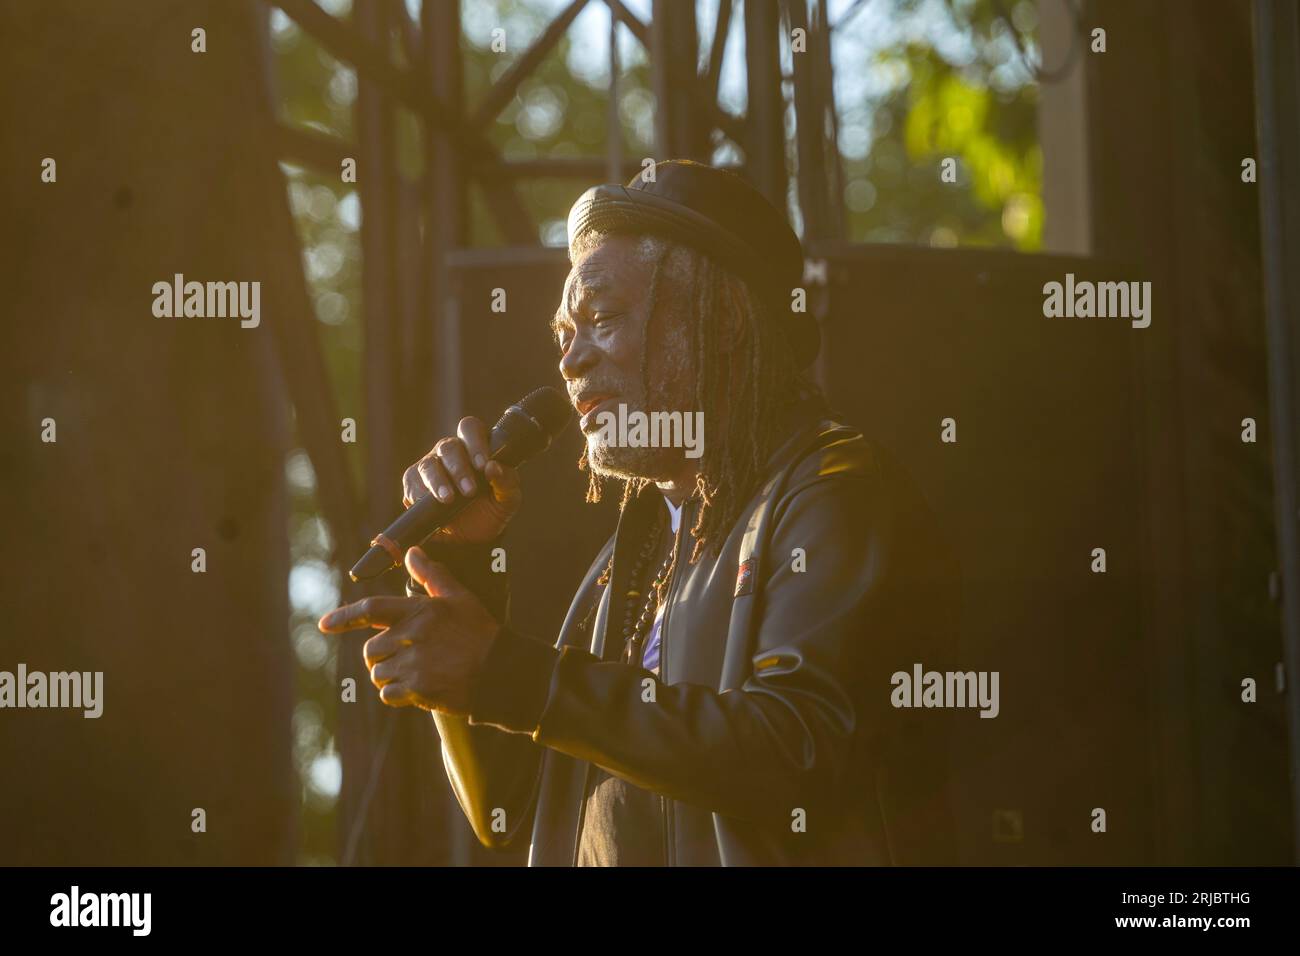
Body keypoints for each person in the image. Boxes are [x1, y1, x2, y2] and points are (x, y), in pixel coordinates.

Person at [319, 160, 961, 865]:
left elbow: (797, 748)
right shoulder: (633, 561)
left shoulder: (832, 488)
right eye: (565, 333)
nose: (570, 361)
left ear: (722, 322)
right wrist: (458, 571)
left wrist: (513, 674)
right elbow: (508, 810)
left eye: (602, 319)